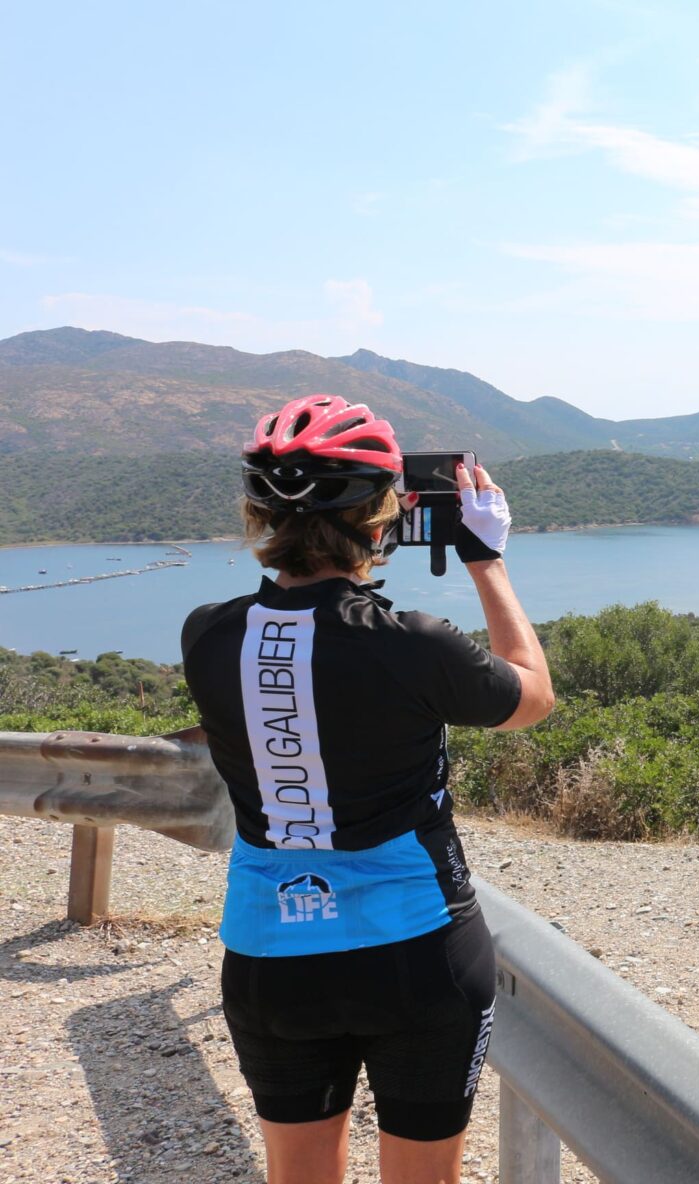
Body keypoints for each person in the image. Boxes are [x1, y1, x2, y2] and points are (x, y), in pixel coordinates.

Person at [181, 394, 554, 1184]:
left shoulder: (207, 633)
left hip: (271, 952)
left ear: (258, 512)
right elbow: (531, 698)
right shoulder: (412, 644)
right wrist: (486, 558)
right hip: (417, 951)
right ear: (382, 518)